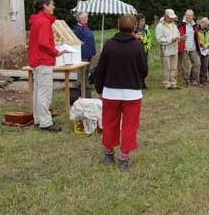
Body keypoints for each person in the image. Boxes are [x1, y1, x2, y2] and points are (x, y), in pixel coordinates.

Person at [95, 14, 148, 172]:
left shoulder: (109, 45)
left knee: (110, 122)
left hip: (111, 92)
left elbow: (100, 70)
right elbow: (144, 70)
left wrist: (99, 89)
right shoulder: (138, 47)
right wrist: (137, 79)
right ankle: (124, 159)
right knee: (129, 126)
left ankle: (109, 153)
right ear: (134, 28)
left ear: (118, 26)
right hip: (131, 93)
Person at [27, 0, 62, 132]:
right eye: (52, 4)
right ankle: (46, 122)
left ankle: (38, 118)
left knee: (38, 91)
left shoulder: (37, 21)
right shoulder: (44, 22)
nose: (54, 7)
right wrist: (56, 52)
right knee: (44, 92)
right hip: (43, 60)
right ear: (45, 6)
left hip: (37, 60)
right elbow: (43, 43)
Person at [155, 9, 181, 90]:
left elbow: (178, 34)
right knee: (167, 68)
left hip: (174, 49)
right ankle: (166, 84)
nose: (172, 19)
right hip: (165, 50)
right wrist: (170, 40)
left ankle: (173, 84)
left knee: (173, 68)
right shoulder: (160, 26)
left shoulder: (174, 25)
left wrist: (179, 38)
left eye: (173, 17)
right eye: (170, 17)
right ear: (166, 16)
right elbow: (159, 39)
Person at [73, 11, 96, 88]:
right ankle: (81, 84)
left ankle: (85, 84)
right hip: (83, 52)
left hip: (89, 51)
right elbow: (77, 40)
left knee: (87, 70)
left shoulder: (85, 26)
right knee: (82, 69)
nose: (87, 18)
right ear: (80, 18)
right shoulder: (79, 28)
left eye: (87, 16)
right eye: (86, 17)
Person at [178, 10, 201, 86]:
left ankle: (194, 79)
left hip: (193, 47)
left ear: (193, 16)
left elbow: (197, 36)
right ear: (185, 15)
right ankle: (186, 79)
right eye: (187, 15)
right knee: (185, 65)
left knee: (197, 63)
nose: (189, 17)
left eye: (190, 15)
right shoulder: (181, 25)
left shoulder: (194, 26)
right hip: (184, 47)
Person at [197, 17, 209, 86]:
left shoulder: (208, 30)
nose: (205, 26)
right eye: (204, 24)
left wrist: (207, 45)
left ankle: (203, 80)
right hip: (199, 50)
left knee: (205, 66)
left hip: (206, 51)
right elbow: (197, 39)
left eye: (206, 25)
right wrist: (202, 44)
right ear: (201, 23)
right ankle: (194, 78)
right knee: (197, 65)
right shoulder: (197, 30)